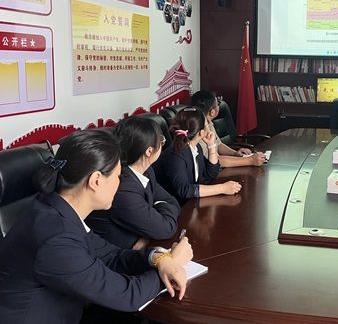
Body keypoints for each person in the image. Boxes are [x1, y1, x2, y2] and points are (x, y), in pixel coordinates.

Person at [0, 129, 193, 324]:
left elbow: (111, 256)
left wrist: (161, 258)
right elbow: (127, 295)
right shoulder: (56, 237)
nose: (120, 183)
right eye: (118, 176)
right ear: (96, 181)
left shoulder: (56, 208)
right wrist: (174, 262)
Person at [86, 117, 180, 250]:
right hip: (114, 255)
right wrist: (155, 219)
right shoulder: (122, 186)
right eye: (161, 142)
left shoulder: (146, 171)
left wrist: (148, 231)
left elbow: (172, 201)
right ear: (149, 151)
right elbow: (166, 228)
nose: (162, 145)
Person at [154, 107, 241, 205]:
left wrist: (211, 146)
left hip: (193, 203)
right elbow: (185, 190)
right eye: (207, 125)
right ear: (201, 133)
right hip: (177, 207)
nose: (209, 127)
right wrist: (223, 188)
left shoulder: (196, 147)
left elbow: (211, 174)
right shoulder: (175, 155)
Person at [190, 90, 267, 167]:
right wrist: (250, 160)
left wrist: (235, 153)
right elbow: (215, 160)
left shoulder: (208, 123)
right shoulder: (197, 130)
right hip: (209, 172)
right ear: (212, 112)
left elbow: (218, 145)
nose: (219, 106)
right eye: (218, 104)